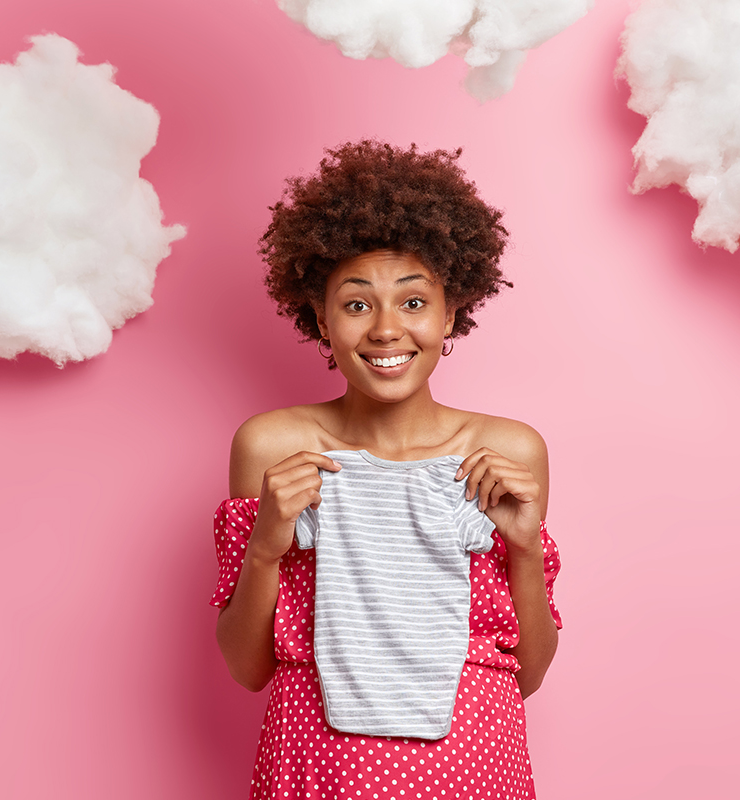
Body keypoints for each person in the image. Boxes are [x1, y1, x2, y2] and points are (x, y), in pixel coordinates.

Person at [211, 140, 562, 799]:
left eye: (411, 302)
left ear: (450, 312)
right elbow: (247, 667)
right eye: (355, 304)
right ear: (321, 318)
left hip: (473, 761)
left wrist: (521, 549)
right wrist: (265, 545)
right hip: (318, 763)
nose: (384, 331)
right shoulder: (272, 447)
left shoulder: (508, 453)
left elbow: (532, 674)